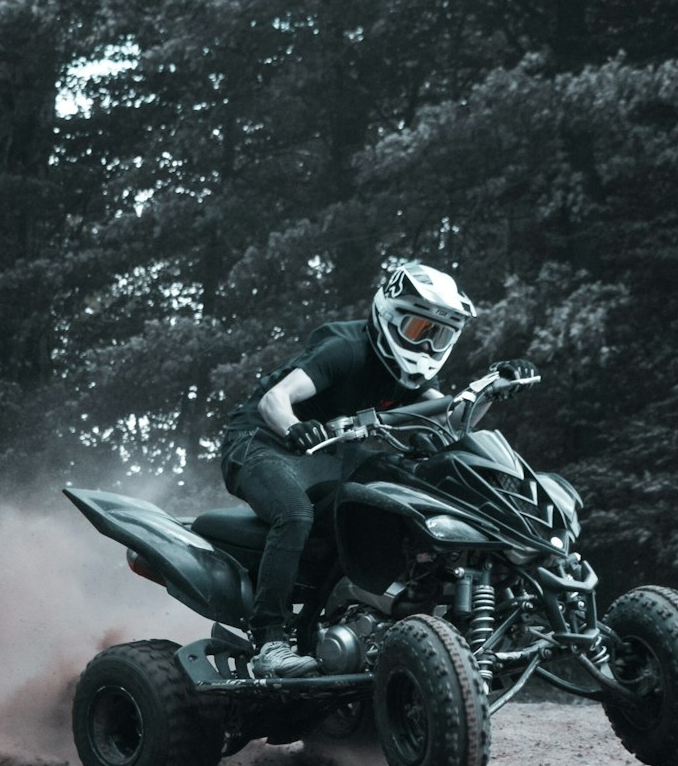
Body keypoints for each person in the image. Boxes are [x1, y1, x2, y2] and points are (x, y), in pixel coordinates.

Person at [219, 261, 533, 679]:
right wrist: (295, 427)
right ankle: (270, 642)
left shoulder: (409, 382)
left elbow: (450, 426)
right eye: (418, 330)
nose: (425, 345)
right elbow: (274, 401)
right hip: (259, 441)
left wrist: (492, 388)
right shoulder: (345, 347)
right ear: (388, 315)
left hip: (321, 458)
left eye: (437, 335)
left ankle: (332, 629)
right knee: (294, 513)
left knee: (371, 511)